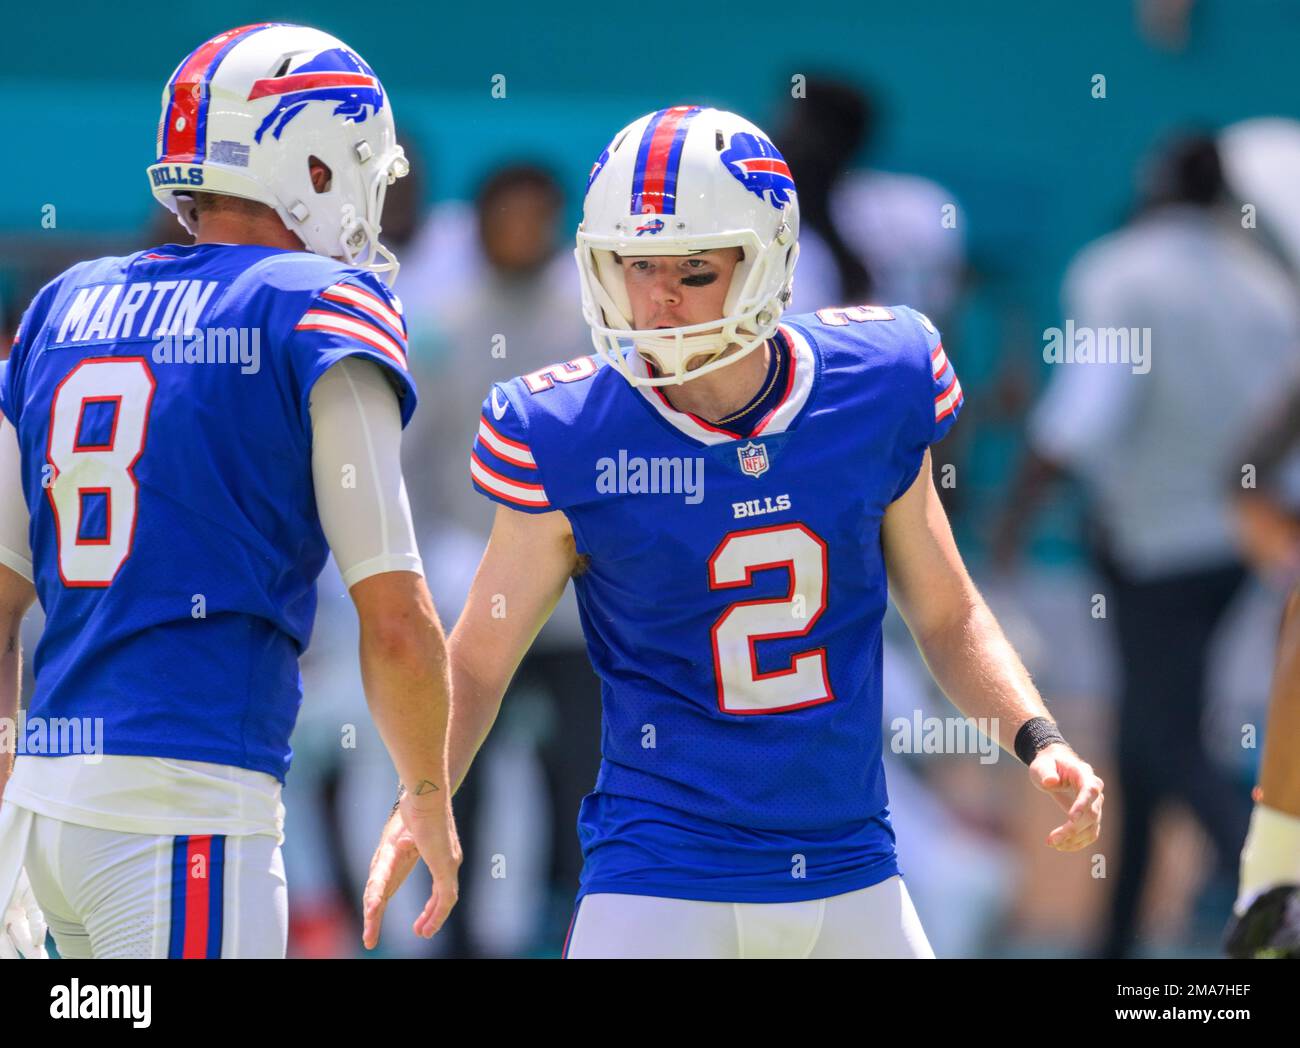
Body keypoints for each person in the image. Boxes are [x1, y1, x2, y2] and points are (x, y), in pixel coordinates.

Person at [361, 106, 1104, 959]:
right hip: (659, 876)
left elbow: (946, 612)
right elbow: (481, 658)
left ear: (769, 260)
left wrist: (1036, 736)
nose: (660, 296)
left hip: (852, 867)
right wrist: (422, 792)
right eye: (637, 264)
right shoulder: (566, 429)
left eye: (694, 269)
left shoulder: (876, 382)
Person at [0, 22, 459, 959]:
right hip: (186, 809)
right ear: (315, 164)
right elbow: (398, 617)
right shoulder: (316, 304)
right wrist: (428, 801)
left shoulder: (63, 301)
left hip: (43, 813)